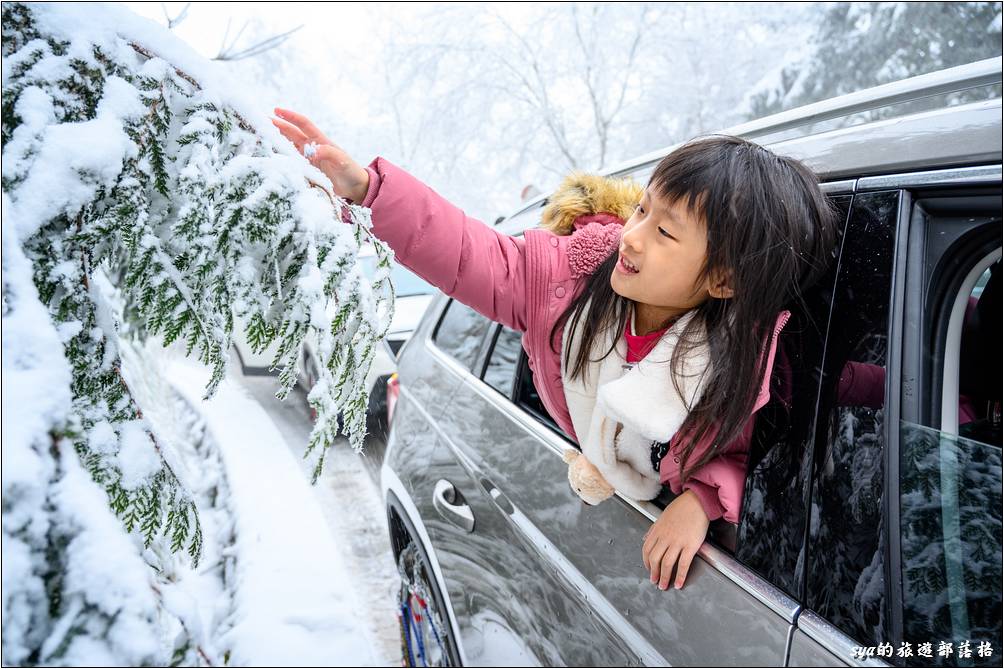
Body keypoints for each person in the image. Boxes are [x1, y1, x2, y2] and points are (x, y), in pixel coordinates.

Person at [271, 107, 840, 592]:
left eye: (665, 232)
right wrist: (371, 191)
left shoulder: (729, 364)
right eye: (642, 210)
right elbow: (473, 254)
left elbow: (736, 455)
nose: (632, 235)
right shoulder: (566, 283)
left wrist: (701, 501)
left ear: (722, 280)